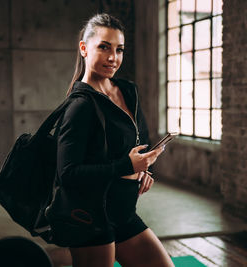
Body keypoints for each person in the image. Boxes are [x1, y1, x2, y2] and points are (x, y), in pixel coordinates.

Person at [53, 13, 175, 267]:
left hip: (122, 211)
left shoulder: (127, 91)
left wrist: (144, 170)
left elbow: (137, 143)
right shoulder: (80, 105)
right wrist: (126, 167)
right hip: (89, 216)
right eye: (104, 47)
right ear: (84, 48)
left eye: (119, 49)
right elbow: (67, 173)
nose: (113, 57)